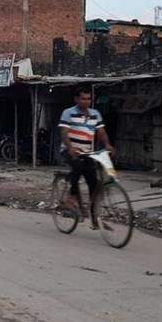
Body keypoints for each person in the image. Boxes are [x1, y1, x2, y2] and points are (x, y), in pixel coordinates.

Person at [58, 89, 114, 229]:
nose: (86, 101)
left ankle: (94, 217)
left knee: (93, 183)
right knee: (77, 166)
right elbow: (64, 133)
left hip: (87, 152)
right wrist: (70, 147)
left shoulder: (95, 114)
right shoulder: (68, 112)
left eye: (88, 99)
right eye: (83, 98)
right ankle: (71, 198)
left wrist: (107, 144)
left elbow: (101, 132)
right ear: (76, 99)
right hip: (69, 150)